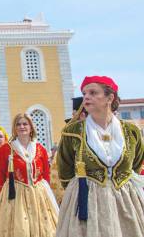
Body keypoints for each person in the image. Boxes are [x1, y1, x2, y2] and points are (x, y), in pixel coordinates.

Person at [56, 76, 144, 236]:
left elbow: (136, 165)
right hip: (86, 199)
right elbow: (65, 169)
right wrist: (78, 193)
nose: (86, 97)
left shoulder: (131, 132)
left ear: (110, 98)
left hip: (124, 200)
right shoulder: (72, 131)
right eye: (84, 93)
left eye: (93, 92)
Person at [0, 113, 58, 237]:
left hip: (39, 195)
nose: (22, 127)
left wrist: (47, 194)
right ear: (14, 128)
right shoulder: (6, 149)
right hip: (15, 196)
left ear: (31, 127)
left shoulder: (40, 149)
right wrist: (2, 198)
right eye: (18, 124)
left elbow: (46, 174)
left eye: (25, 124)